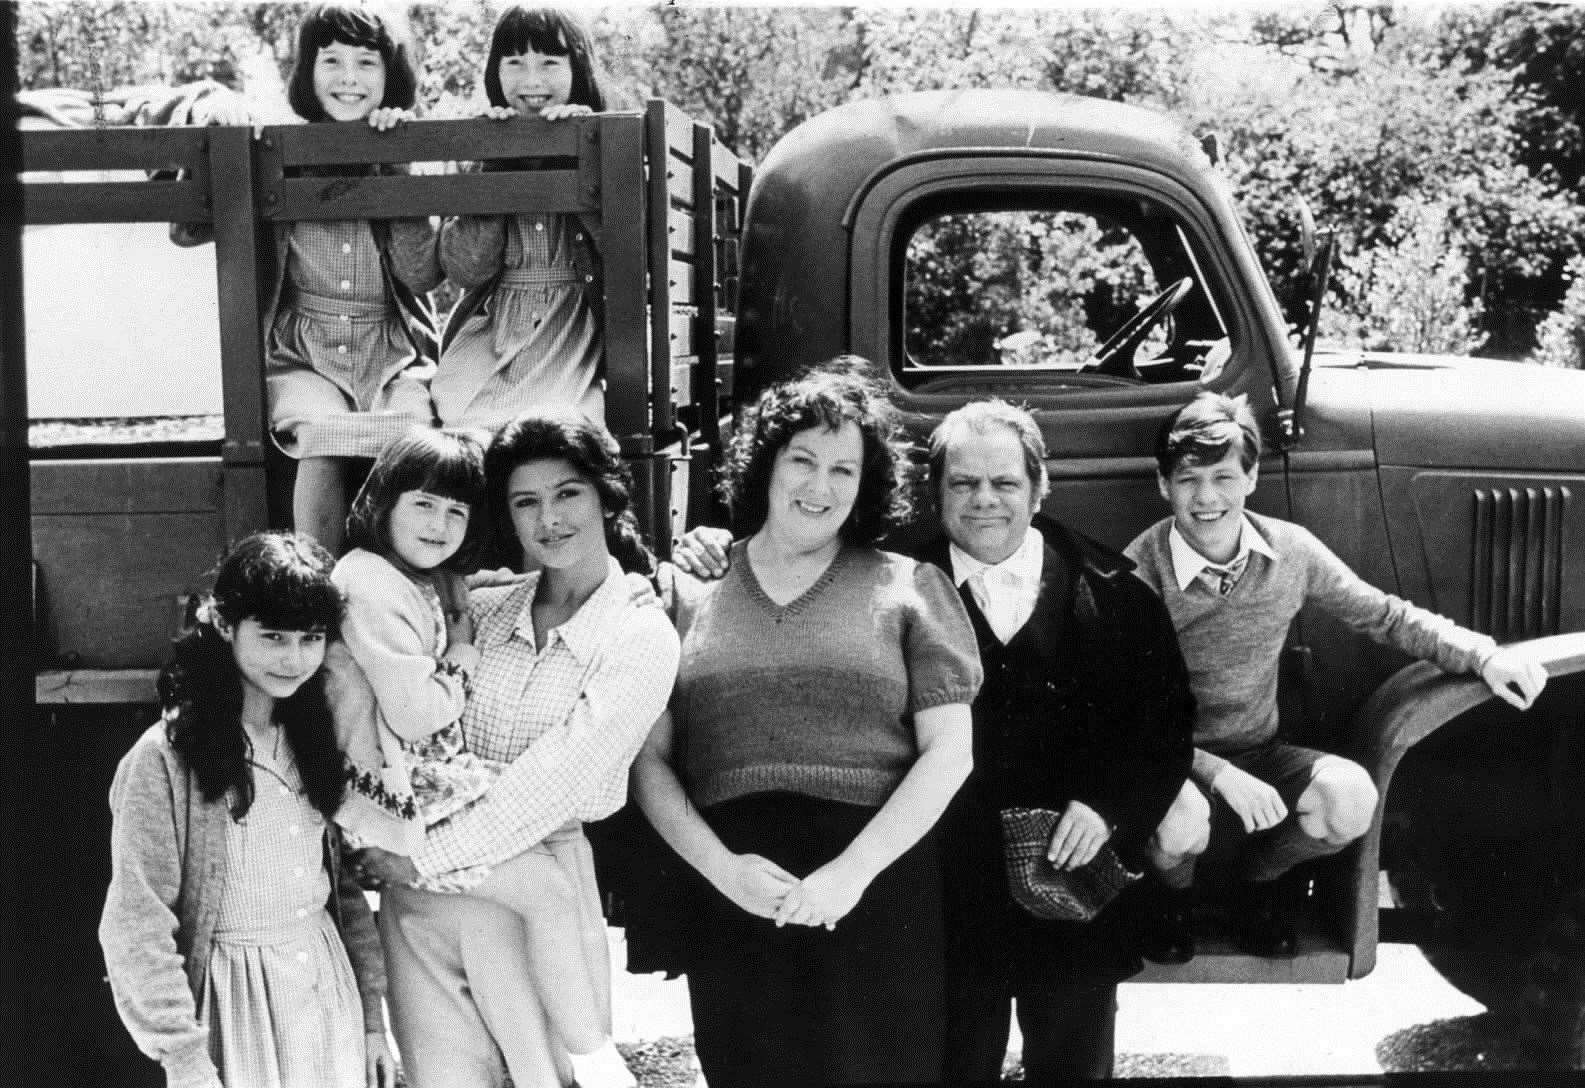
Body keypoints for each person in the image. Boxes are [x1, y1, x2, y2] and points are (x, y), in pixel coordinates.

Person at [673, 396, 1196, 1082]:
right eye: (962, 483)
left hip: (1070, 878)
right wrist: (705, 545)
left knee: (1072, 1058)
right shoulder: (896, 580)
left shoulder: (1113, 591)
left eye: (1005, 483)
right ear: (935, 492)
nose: (984, 501)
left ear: (1039, 487)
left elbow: (1162, 727)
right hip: (950, 886)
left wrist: (1106, 808)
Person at [631, 362, 983, 1088]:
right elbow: (650, 765)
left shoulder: (910, 586)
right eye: (802, 460)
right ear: (765, 464)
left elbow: (949, 753)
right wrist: (719, 870)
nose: (819, 487)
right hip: (737, 894)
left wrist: (850, 874)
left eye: (843, 469)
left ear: (865, 485)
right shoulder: (688, 589)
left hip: (876, 892)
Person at [1126, 391, 1550, 957]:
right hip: (1171, 763)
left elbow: (1384, 614)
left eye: (1224, 477)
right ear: (1162, 485)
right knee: (1180, 822)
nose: (1207, 497)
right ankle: (1171, 900)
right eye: (1188, 479)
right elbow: (1120, 711)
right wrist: (1221, 775)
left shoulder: (1289, 551)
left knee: (1348, 799)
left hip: (1261, 753)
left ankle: (1254, 886)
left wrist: (1483, 655)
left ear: (1251, 479)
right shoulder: (1140, 567)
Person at [352, 407, 678, 1088]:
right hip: (424, 909)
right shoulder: (486, 602)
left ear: (606, 495)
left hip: (534, 889)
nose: (548, 519)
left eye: (567, 494)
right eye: (524, 501)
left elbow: (553, 783)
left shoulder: (638, 635)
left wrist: (417, 857)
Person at [99, 532, 393, 1088]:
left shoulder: (314, 737)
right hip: (234, 1002)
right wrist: (183, 1055)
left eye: (310, 638)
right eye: (273, 636)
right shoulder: (164, 758)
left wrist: (374, 1022)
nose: (293, 658)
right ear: (226, 626)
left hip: (325, 989)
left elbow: (344, 894)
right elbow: (137, 922)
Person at [152, 4, 443, 553]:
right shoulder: (280, 149)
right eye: (330, 60)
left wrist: (399, 169)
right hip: (304, 349)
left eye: (366, 63)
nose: (348, 78)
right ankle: (316, 579)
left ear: (391, 75)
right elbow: (186, 230)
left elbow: (420, 274)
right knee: (323, 432)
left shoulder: (399, 146)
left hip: (388, 350)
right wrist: (220, 128)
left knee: (416, 437)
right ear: (307, 71)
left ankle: (405, 583)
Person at [434, 8, 609, 428]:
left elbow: (625, 249)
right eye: (514, 63)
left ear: (579, 69)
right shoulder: (482, 143)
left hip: (568, 331)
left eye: (550, 63)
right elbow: (467, 269)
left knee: (552, 423)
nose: (532, 81)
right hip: (497, 330)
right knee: (463, 420)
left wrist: (581, 156)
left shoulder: (604, 138)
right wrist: (497, 163)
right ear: (495, 72)